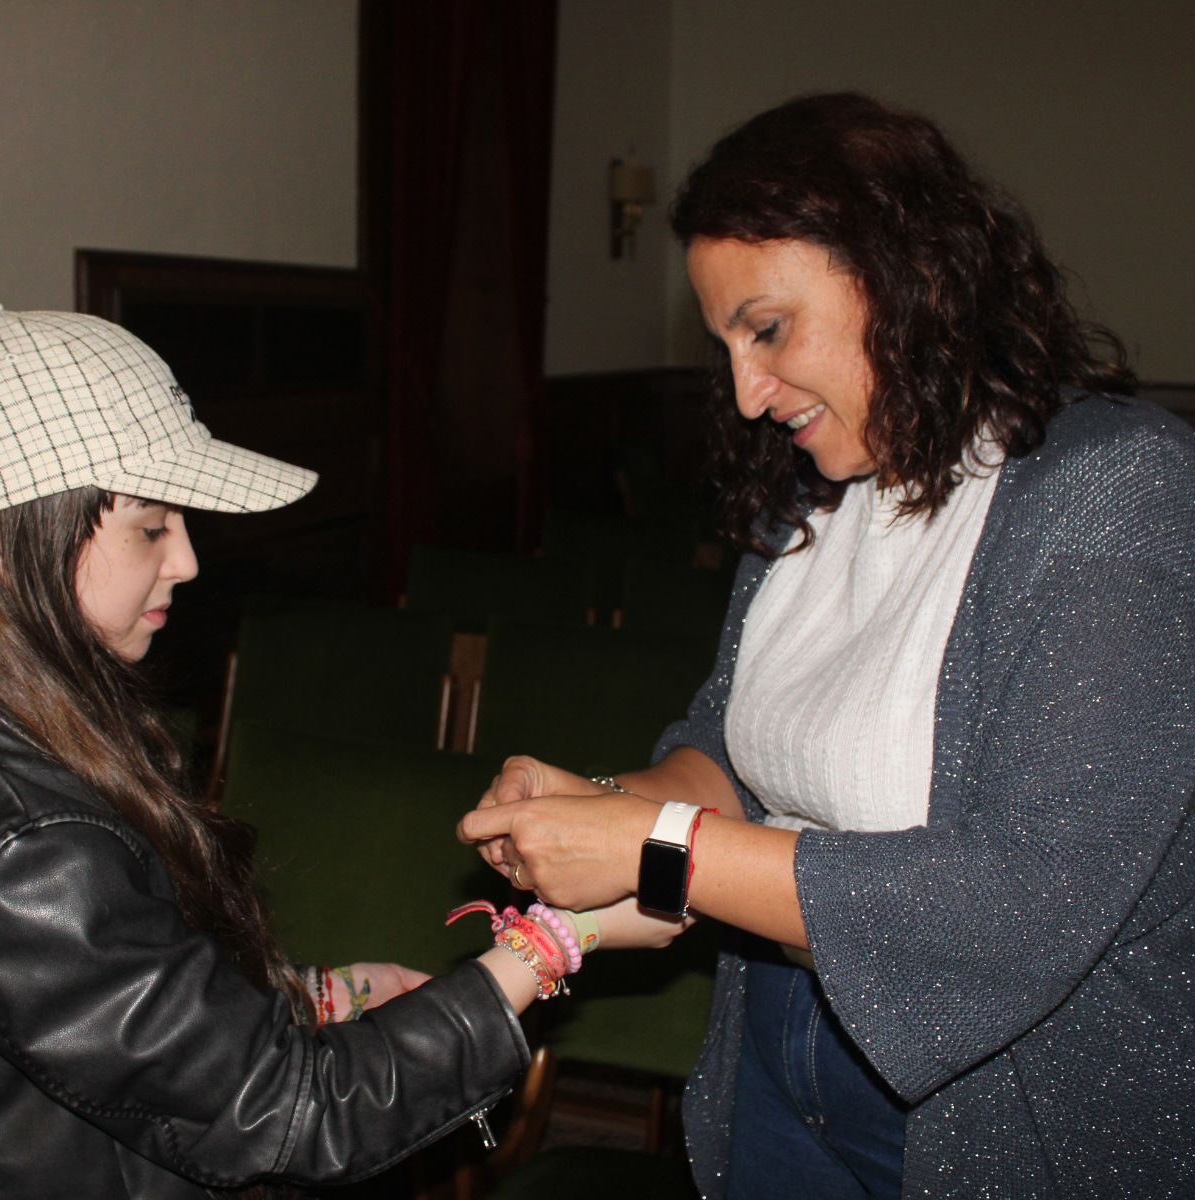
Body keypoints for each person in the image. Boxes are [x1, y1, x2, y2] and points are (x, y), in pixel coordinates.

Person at [460, 92, 1194, 1199]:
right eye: (726, 349)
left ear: (904, 274)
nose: (748, 395)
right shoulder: (808, 502)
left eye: (767, 329)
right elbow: (726, 743)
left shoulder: (1110, 490)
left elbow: (1023, 896)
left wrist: (657, 845)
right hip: (781, 1044)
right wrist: (599, 804)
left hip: (1006, 1093)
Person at [0, 303, 679, 1197]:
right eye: (148, 524)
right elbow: (290, 1117)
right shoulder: (23, 833)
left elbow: (107, 1013)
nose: (186, 560)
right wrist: (559, 937)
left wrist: (312, 997)